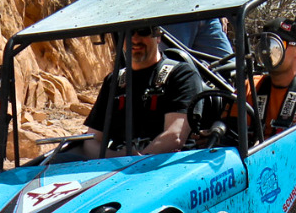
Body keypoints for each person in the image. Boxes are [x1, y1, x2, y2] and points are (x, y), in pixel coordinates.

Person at [83, 25, 207, 157]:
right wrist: (117, 158)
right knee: (65, 157)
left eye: (143, 32)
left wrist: (137, 160)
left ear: (157, 36)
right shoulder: (114, 81)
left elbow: (175, 136)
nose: (135, 39)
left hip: (166, 164)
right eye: (128, 33)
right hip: (120, 165)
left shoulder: (181, 75)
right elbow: (92, 140)